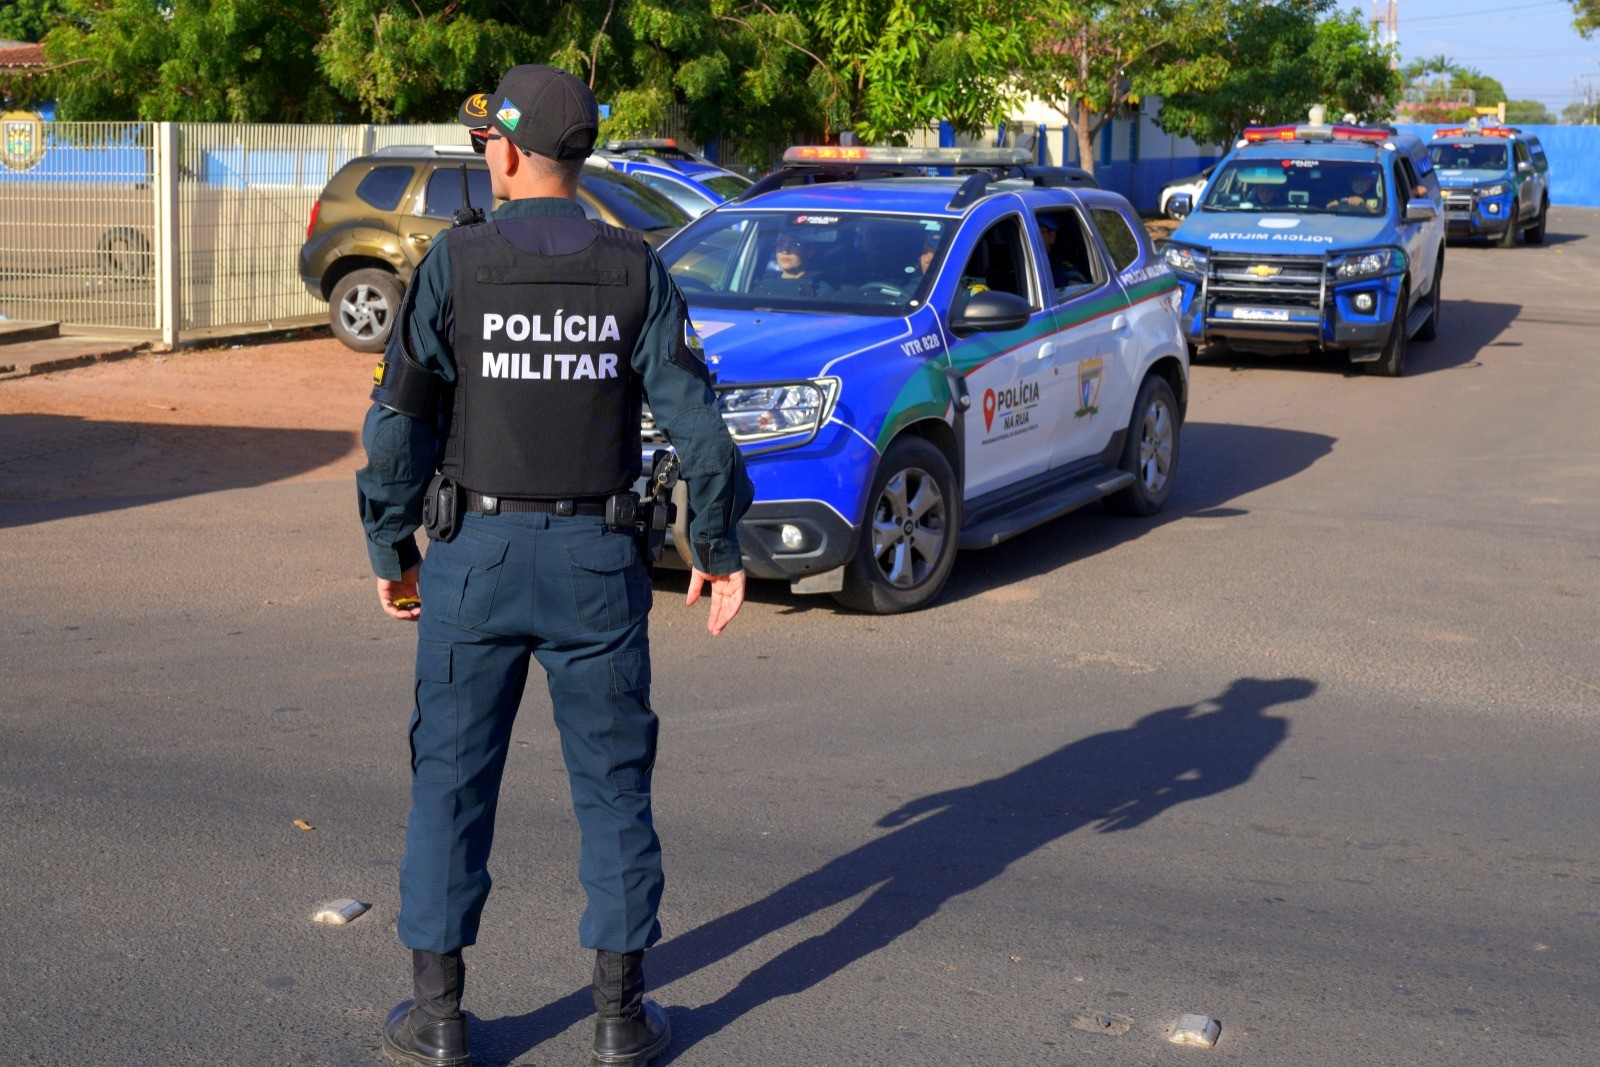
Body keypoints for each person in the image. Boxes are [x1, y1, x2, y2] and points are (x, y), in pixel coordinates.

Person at [356, 64, 754, 1067]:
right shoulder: (635, 267)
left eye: (487, 139)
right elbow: (700, 424)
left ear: (506, 150)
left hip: (474, 557)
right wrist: (716, 544)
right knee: (613, 788)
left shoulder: (454, 263)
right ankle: (619, 1020)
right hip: (596, 563)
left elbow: (399, 420)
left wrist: (390, 545)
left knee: (450, 784)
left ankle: (438, 1019)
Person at [753, 230, 831, 299]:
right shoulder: (763, 283)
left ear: (809, 253)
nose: (785, 251)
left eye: (795, 244)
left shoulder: (820, 289)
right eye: (780, 244)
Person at [1036, 216, 1089, 293]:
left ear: (1052, 236)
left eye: (1039, 232)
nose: (1032, 237)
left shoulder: (1065, 274)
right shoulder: (1018, 267)